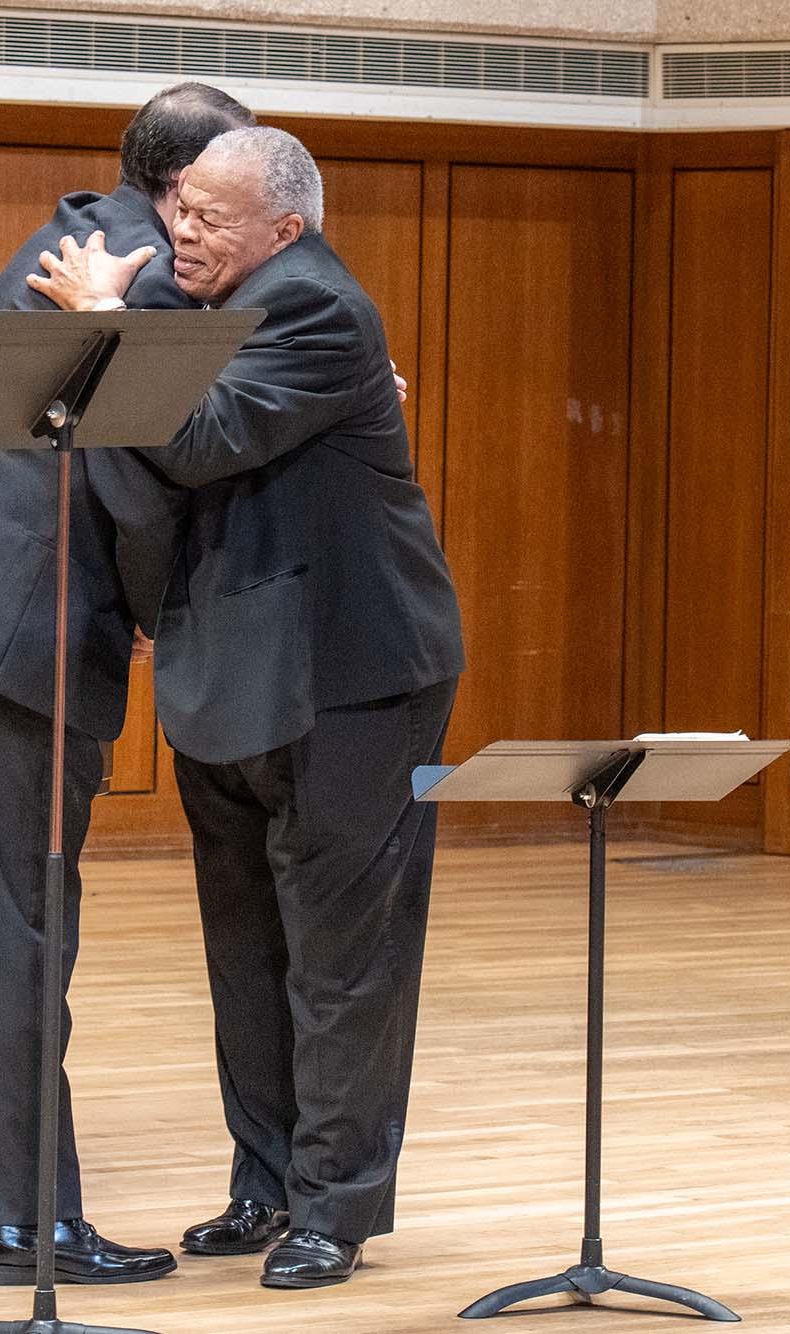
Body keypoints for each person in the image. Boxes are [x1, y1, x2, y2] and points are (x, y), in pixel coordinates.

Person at [30, 126, 465, 1289]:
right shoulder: (206, 298)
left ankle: (335, 1206)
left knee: (340, 954)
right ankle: (263, 1184)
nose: (181, 233)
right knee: (244, 947)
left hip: (349, 672)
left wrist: (97, 327)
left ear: (286, 228)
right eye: (177, 208)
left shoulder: (316, 303)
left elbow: (203, 436)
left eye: (210, 218)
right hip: (232, 670)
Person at [0, 82, 253, 1288]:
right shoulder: (131, 276)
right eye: (225, 191)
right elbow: (141, 479)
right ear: (186, 187)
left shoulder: (77, 235)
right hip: (16, 636)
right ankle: (26, 1224)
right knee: (20, 928)